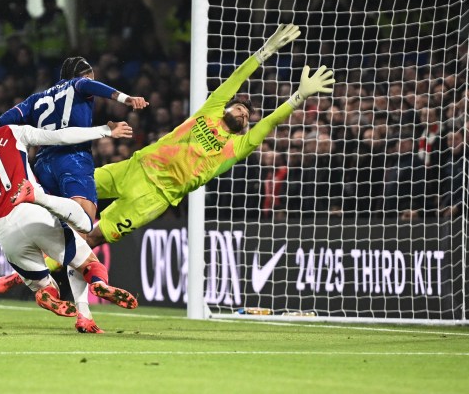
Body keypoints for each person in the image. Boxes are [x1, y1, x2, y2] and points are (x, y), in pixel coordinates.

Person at [83, 24, 332, 247]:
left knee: (95, 237)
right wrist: (265, 51)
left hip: (155, 196)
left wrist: (299, 96)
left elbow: (270, 121)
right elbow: (237, 78)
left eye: (246, 117)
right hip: (135, 167)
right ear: (226, 107)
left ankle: (47, 278)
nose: (243, 114)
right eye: (240, 108)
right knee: (68, 187)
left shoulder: (237, 146)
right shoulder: (211, 110)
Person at [0, 98, 138, 333]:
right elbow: (61, 137)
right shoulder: (12, 133)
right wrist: (104, 130)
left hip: (6, 234)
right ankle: (99, 284)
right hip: (34, 212)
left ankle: (54, 301)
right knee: (87, 261)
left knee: (45, 287)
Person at [0, 56, 148, 225]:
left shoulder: (35, 99)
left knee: (57, 228)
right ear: (86, 75)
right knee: (82, 224)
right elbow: (87, 85)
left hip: (42, 166)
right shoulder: (78, 83)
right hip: (73, 159)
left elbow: (3, 121)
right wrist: (126, 98)